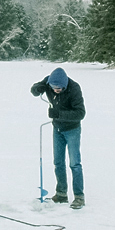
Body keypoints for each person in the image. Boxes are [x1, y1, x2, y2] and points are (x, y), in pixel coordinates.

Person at [30, 67, 86, 208]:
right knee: (58, 163)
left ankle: (79, 197)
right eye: (54, 87)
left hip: (72, 130)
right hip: (57, 129)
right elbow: (35, 89)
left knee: (75, 164)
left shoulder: (74, 88)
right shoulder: (49, 81)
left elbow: (80, 113)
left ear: (65, 85)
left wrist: (59, 113)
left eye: (59, 88)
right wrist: (37, 89)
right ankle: (61, 194)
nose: (56, 90)